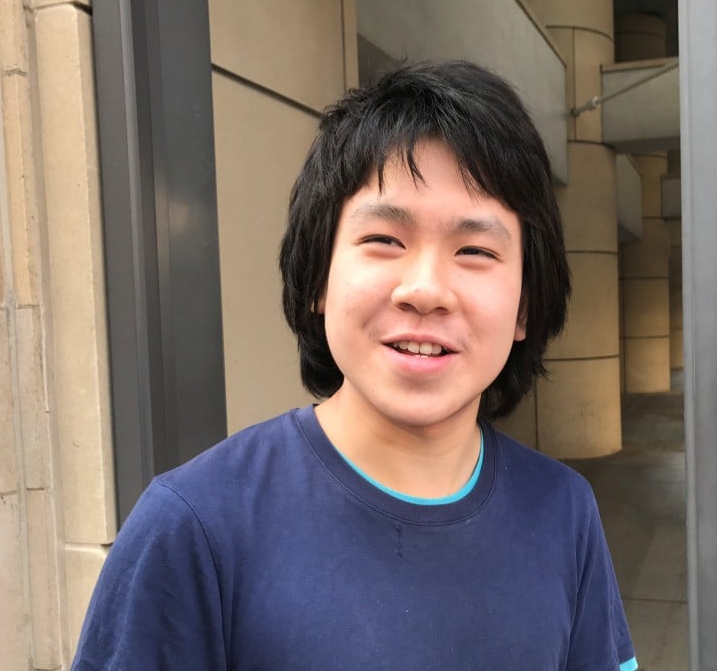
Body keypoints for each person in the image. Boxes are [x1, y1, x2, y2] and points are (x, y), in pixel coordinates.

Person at [72, 60, 638, 670]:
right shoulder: (194, 528)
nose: (425, 289)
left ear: (525, 305)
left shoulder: (563, 511)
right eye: (385, 241)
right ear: (319, 276)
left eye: (475, 250)